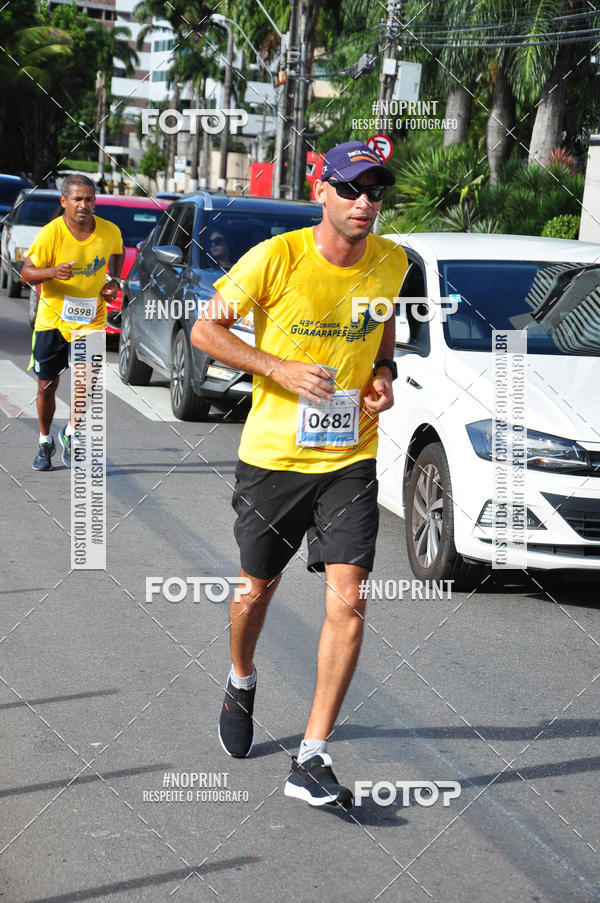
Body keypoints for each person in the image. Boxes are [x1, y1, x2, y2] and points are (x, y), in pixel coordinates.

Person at [191, 141, 408, 809]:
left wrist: (382, 375)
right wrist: (276, 368)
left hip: (349, 454)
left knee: (350, 596)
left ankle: (311, 754)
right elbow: (206, 331)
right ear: (323, 191)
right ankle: (241, 676)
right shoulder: (276, 258)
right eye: (352, 188)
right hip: (274, 456)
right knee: (255, 591)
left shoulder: (392, 262)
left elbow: (383, 330)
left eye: (376, 190)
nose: (366, 201)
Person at [20, 174, 124, 471]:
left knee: (86, 381)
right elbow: (25, 273)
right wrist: (52, 272)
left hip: (91, 318)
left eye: (88, 199)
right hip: (53, 319)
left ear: (95, 201)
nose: (83, 204)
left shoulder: (110, 231)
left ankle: (72, 432)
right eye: (77, 199)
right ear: (64, 201)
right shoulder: (51, 234)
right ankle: (44, 440)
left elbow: (116, 255)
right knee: (46, 387)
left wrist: (113, 281)